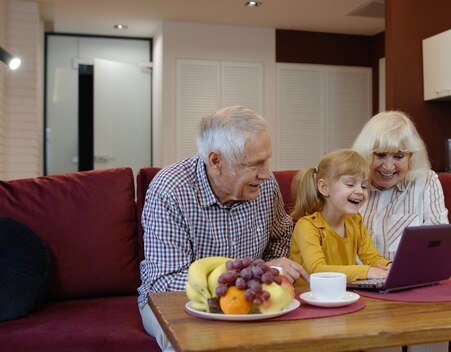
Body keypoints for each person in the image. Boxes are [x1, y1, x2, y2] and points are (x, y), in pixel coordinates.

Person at [137, 106, 308, 351]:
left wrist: (269, 273)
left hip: (247, 296)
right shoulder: (170, 190)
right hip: (178, 301)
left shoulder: (265, 187)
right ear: (216, 161)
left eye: (267, 159)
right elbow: (166, 281)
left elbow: (281, 234)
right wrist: (254, 273)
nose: (267, 173)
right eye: (255, 163)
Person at [352, 110, 449, 352]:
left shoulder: (427, 181)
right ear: (366, 154)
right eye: (380, 155)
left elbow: (440, 239)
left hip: (419, 291)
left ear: (411, 157)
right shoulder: (352, 186)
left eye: (398, 156)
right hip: (362, 291)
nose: (388, 166)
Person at [289, 148, 391, 282]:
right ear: (325, 188)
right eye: (350, 184)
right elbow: (317, 270)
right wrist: (366, 271)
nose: (360, 191)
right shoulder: (307, 226)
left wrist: (390, 267)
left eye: (364, 186)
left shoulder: (355, 221)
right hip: (308, 295)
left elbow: (372, 258)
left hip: (342, 293)